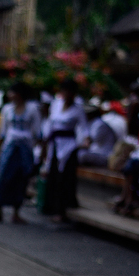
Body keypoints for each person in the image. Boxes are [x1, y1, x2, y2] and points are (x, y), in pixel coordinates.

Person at [0, 82, 40, 224]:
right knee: (4, 178)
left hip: (25, 149)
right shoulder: (8, 109)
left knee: (21, 180)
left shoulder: (32, 109)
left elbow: (37, 132)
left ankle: (16, 212)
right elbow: (2, 131)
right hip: (10, 148)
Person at [43, 79, 88, 221]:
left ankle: (62, 209)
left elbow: (83, 129)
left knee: (65, 179)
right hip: (55, 143)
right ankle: (51, 207)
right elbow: (50, 123)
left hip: (69, 145)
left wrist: (85, 140)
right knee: (54, 176)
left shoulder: (77, 109)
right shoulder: (56, 105)